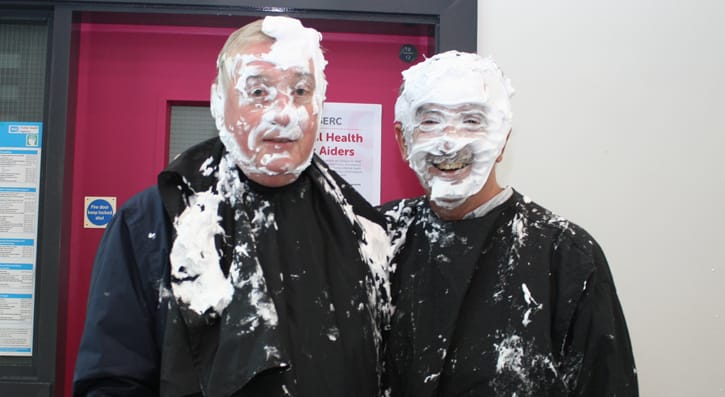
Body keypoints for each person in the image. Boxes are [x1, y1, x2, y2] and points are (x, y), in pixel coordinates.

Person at [73, 16, 390, 397]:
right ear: (219, 102)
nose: (284, 113)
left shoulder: (362, 228)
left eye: (301, 91)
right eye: (258, 92)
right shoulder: (152, 224)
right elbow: (113, 380)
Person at [381, 51, 638, 396]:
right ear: (403, 140)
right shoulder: (376, 239)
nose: (449, 140)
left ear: (502, 140)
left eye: (472, 121)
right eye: (430, 121)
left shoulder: (567, 256)